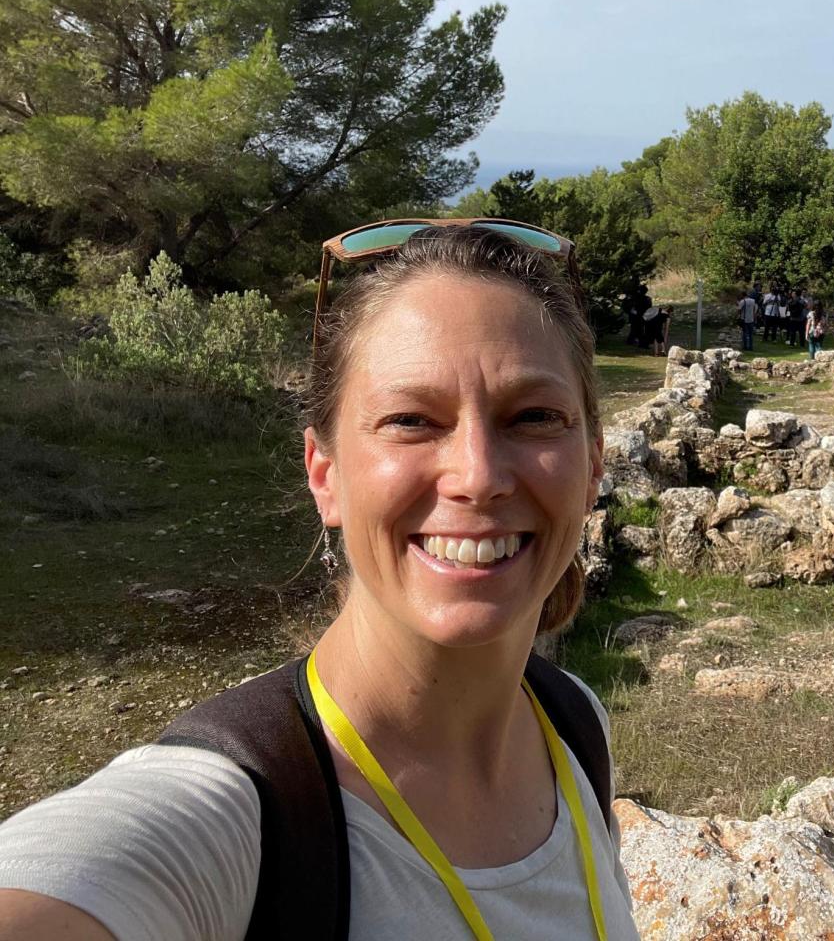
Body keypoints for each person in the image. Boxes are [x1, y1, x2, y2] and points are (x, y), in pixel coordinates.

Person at [0, 220, 638, 939]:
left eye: (534, 417)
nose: (478, 476)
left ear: (592, 465)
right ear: (324, 475)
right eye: (411, 420)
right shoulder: (239, 815)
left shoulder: (574, 725)